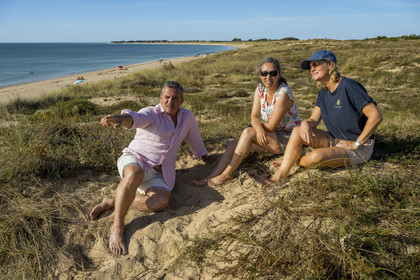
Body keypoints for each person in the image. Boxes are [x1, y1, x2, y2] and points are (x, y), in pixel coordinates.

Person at [89, 81, 208, 256]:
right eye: (167, 97)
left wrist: (206, 157)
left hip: (159, 174)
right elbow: (135, 118)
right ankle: (117, 227)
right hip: (134, 160)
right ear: (161, 98)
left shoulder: (187, 118)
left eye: (175, 98)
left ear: (182, 100)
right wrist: (122, 119)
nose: (170, 101)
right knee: (136, 173)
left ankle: (114, 201)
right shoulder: (151, 113)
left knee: (162, 201)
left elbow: (195, 140)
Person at [259, 50, 383, 185]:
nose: (312, 69)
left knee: (316, 157)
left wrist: (356, 143)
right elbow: (314, 120)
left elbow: (376, 116)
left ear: (330, 64)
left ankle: (293, 161)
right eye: (310, 67)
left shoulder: (349, 86)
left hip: (360, 148)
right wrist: (306, 123)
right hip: (333, 139)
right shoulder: (323, 92)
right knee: (297, 131)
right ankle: (280, 176)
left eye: (316, 64)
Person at [193, 57, 301, 187]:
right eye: (264, 73)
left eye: (272, 73)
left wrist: (257, 130)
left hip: (288, 138)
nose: (268, 77)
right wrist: (259, 129)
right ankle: (211, 176)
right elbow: (254, 116)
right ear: (260, 75)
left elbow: (271, 126)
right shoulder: (260, 89)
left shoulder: (284, 93)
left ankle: (227, 174)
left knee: (248, 133)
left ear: (279, 74)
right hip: (271, 135)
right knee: (234, 144)